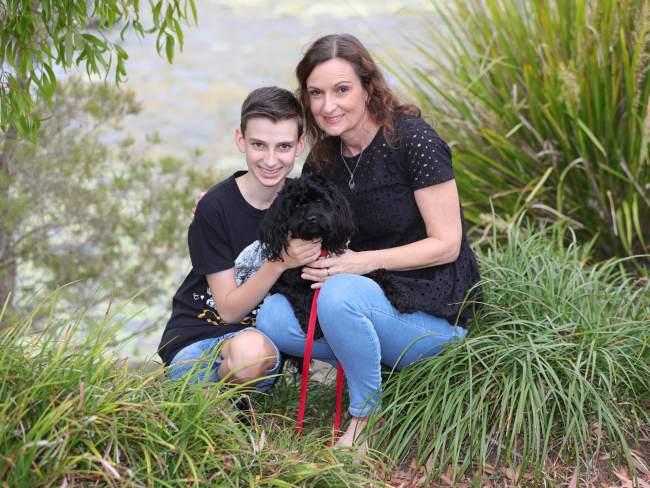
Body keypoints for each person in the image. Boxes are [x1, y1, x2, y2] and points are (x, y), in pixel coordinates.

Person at [255, 34, 482, 446]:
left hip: (431, 316)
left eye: (342, 90)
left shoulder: (413, 141)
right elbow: (295, 217)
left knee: (339, 294)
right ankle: (367, 359)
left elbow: (447, 243)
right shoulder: (324, 159)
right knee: (272, 316)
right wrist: (229, 200)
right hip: (365, 303)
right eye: (316, 93)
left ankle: (366, 416)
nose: (328, 106)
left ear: (368, 87)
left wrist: (363, 262)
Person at [158, 86, 322, 389]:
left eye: (283, 146)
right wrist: (279, 263)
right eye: (259, 144)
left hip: (258, 352)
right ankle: (218, 406)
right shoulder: (216, 207)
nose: (271, 160)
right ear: (240, 140)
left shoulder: (305, 206)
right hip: (196, 341)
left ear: (300, 144)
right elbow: (229, 310)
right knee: (245, 354)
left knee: (250, 354)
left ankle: (226, 405)